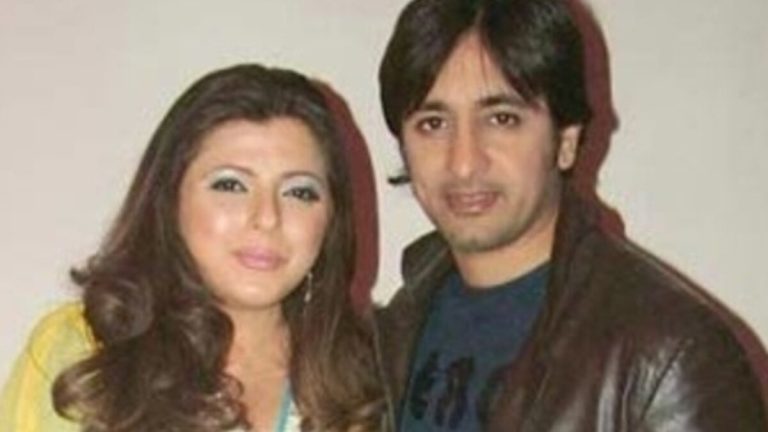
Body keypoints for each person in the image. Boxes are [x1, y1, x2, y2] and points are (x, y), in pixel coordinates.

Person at [373, 0, 767, 430]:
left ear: (566, 141)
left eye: (502, 119)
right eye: (433, 123)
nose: (464, 162)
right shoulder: (393, 333)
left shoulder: (669, 357)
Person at [0, 64, 382, 431]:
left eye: (299, 192)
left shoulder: (372, 376)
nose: (267, 217)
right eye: (230, 185)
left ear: (332, 216)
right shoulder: (84, 354)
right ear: (169, 200)